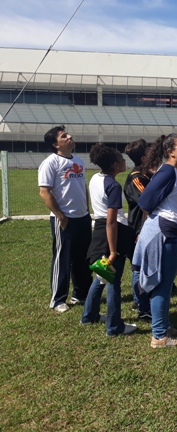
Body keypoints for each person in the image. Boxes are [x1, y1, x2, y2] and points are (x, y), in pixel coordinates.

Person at [132, 134, 177, 348]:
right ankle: (159, 336)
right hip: (164, 233)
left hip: (171, 233)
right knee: (162, 285)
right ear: (171, 151)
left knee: (165, 285)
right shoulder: (167, 171)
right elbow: (146, 201)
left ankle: (164, 326)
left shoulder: (174, 171)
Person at [80, 144, 136, 336]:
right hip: (111, 235)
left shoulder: (96, 178)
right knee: (113, 281)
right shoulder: (113, 186)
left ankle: (89, 315)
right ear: (114, 165)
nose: (124, 162)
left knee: (102, 276)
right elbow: (111, 222)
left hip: (99, 230)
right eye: (121, 159)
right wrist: (113, 251)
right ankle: (114, 327)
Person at [38, 125, 93, 313]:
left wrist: (87, 210)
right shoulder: (50, 163)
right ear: (55, 144)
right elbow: (44, 192)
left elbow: (82, 187)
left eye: (68, 134)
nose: (69, 136)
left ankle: (81, 293)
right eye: (64, 136)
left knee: (83, 258)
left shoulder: (78, 161)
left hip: (83, 217)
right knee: (62, 258)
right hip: (65, 219)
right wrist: (60, 216)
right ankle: (58, 299)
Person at [124, 139, 153, 322]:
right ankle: (140, 304)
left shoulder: (146, 174)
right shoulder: (137, 178)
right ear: (143, 157)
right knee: (138, 267)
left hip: (148, 227)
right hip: (139, 229)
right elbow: (147, 201)